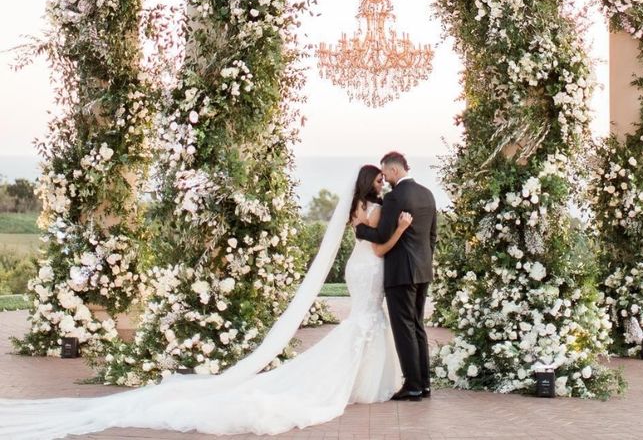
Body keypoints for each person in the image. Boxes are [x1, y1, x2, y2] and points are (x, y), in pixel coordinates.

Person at [0, 164, 414, 438]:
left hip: (361, 268)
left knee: (364, 322)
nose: (383, 183)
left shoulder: (359, 207)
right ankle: (362, 384)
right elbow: (379, 245)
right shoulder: (373, 208)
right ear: (369, 182)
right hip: (369, 265)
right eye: (379, 179)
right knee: (365, 321)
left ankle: (365, 382)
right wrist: (401, 228)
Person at [355, 151, 438, 401]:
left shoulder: (395, 197)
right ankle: (423, 384)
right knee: (417, 326)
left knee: (404, 329)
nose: (386, 178)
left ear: (393, 170)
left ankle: (412, 385)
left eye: (385, 172)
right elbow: (432, 236)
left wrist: (360, 230)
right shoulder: (427, 193)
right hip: (423, 270)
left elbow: (381, 235)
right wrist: (424, 261)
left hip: (401, 271)